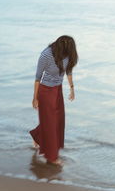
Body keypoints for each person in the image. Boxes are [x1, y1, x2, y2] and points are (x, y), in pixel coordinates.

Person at [29, 35, 78, 166]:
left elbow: (68, 71)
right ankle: (51, 157)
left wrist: (72, 88)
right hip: (45, 91)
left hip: (57, 90)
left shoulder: (68, 54)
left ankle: (37, 136)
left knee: (57, 120)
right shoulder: (46, 55)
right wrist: (35, 98)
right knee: (50, 123)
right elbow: (38, 77)